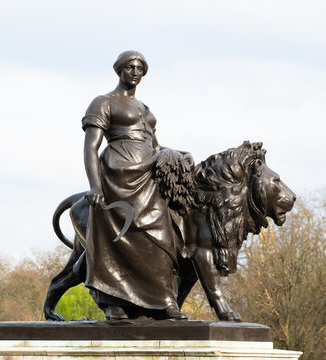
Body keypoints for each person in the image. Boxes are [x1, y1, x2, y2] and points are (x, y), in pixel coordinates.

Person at [82, 50, 189, 320]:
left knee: (161, 236)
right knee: (116, 239)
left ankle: (163, 299)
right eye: (130, 67)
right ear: (119, 69)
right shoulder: (103, 102)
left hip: (148, 176)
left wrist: (178, 153)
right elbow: (90, 147)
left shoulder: (145, 109)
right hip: (117, 176)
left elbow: (155, 145)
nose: (135, 72)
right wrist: (95, 185)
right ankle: (114, 302)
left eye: (140, 68)